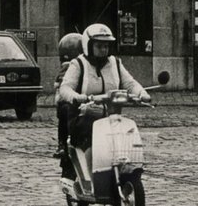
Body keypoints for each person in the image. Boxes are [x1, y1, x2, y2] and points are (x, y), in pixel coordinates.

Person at [55, 23, 149, 168]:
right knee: (92, 135)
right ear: (89, 45)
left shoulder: (115, 63)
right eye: (99, 46)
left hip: (111, 117)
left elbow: (130, 83)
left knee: (126, 133)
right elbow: (65, 88)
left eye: (106, 46)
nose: (104, 49)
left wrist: (142, 94)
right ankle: (91, 175)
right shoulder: (78, 64)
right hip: (83, 117)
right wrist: (77, 97)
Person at [53, 31, 84, 161]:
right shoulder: (73, 66)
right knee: (65, 116)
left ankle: (62, 144)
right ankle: (63, 144)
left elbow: (56, 84)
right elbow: (58, 84)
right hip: (67, 101)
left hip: (73, 100)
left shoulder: (80, 65)